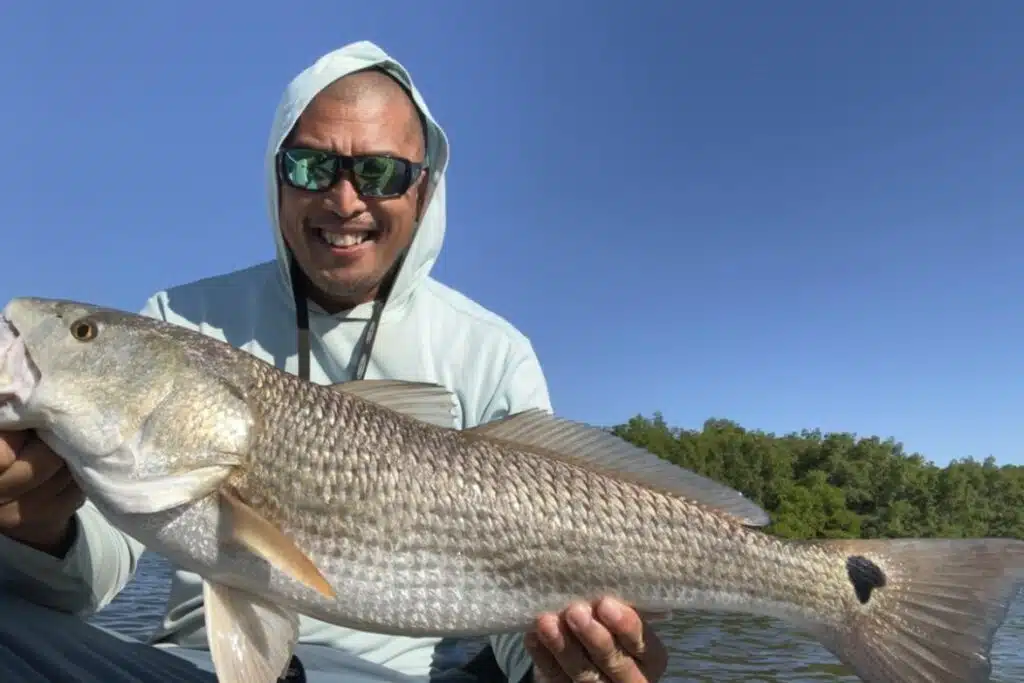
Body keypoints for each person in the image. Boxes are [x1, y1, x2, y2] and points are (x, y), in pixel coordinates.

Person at [0, 41, 668, 683]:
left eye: (380, 173)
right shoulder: (181, 317)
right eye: (310, 167)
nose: (344, 200)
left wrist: (576, 663)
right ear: (277, 177)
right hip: (187, 664)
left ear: (425, 192)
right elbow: (95, 571)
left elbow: (516, 616)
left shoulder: (492, 350)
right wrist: (34, 530)